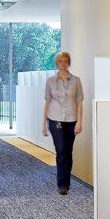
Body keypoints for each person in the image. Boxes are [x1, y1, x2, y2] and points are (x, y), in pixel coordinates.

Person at [43, 51, 84, 195]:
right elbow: (47, 102)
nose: (63, 63)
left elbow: (79, 102)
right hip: (55, 120)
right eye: (60, 61)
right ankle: (62, 184)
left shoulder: (76, 81)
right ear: (57, 63)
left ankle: (66, 181)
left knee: (68, 152)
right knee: (61, 151)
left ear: (69, 63)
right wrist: (44, 124)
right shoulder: (50, 81)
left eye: (65, 61)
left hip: (72, 120)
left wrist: (79, 122)